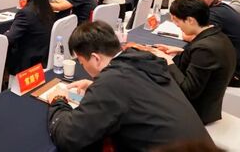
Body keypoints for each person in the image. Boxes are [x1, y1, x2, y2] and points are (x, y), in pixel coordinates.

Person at [47, 21, 213, 151]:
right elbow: (134, 92)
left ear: (96, 58)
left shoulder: (112, 83)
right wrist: (95, 86)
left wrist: (58, 100)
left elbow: (69, 137)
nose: (83, 68)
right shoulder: (141, 61)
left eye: (82, 63)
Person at [151, 0, 235, 124]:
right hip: (207, 104)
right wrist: (181, 51)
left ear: (190, 20)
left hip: (195, 112)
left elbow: (188, 91)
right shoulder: (217, 35)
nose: (176, 25)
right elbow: (205, 63)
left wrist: (168, 61)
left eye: (177, 21)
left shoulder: (205, 49)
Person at [186, 0, 240, 88]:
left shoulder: (213, 15)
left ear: (203, 1)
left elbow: (193, 37)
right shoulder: (221, 7)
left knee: (182, 70)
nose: (186, 2)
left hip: (238, 75)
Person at [4, 0, 53, 74]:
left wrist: (6, 33)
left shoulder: (25, 13)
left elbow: (10, 38)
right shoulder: (47, 8)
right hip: (43, 56)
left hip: (26, 61)